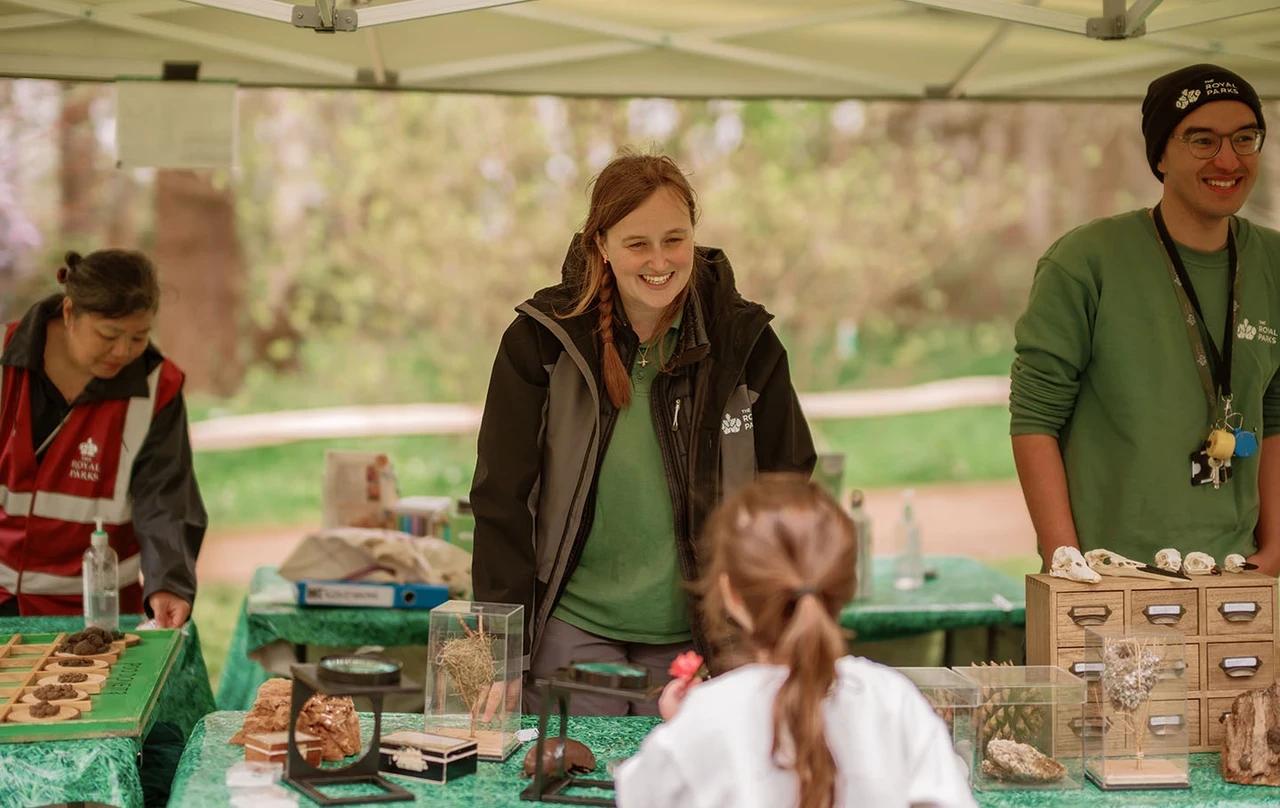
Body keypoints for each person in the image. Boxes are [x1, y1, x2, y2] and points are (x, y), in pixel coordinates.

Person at [471, 150, 815, 716]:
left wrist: (771, 625)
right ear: (600, 245)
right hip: (571, 630)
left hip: (701, 637)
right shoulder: (540, 343)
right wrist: (502, 652)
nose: (659, 261)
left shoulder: (745, 342)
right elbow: (502, 498)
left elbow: (788, 489)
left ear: (693, 238)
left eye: (674, 239)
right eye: (637, 244)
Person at [1011, 64, 1280, 575]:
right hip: (1108, 571)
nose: (1229, 159)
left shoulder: (1273, 262)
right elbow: (1034, 419)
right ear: (1160, 153)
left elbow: (1277, 414)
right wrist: (1064, 559)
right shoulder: (1086, 260)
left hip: (1235, 571)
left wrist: (1275, 551)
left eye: (1246, 138)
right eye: (1203, 140)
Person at [613, 475, 976, 808]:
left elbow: (642, 795)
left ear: (731, 595)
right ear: (845, 585)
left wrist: (683, 727)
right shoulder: (895, 702)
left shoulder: (704, 721)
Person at [0, 249, 206, 627]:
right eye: (109, 335)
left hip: (102, 612)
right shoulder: (4, 360)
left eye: (138, 337)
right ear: (68, 313)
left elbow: (164, 497)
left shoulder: (157, 387)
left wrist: (168, 582)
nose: (123, 352)